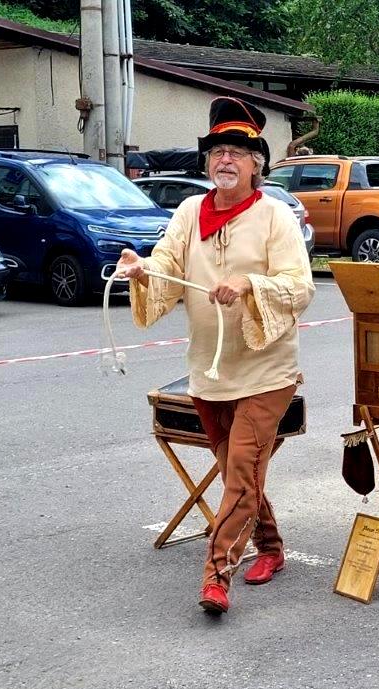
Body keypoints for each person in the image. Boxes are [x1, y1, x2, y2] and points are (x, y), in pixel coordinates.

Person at [114, 96, 315, 615]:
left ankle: (215, 577)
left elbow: (299, 287)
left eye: (237, 152)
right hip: (208, 370)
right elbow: (165, 265)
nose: (225, 160)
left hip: (267, 372)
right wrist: (141, 269)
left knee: (241, 470)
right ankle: (270, 548)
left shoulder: (275, 216)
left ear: (257, 165)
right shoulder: (188, 211)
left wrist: (249, 284)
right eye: (217, 152)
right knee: (237, 472)